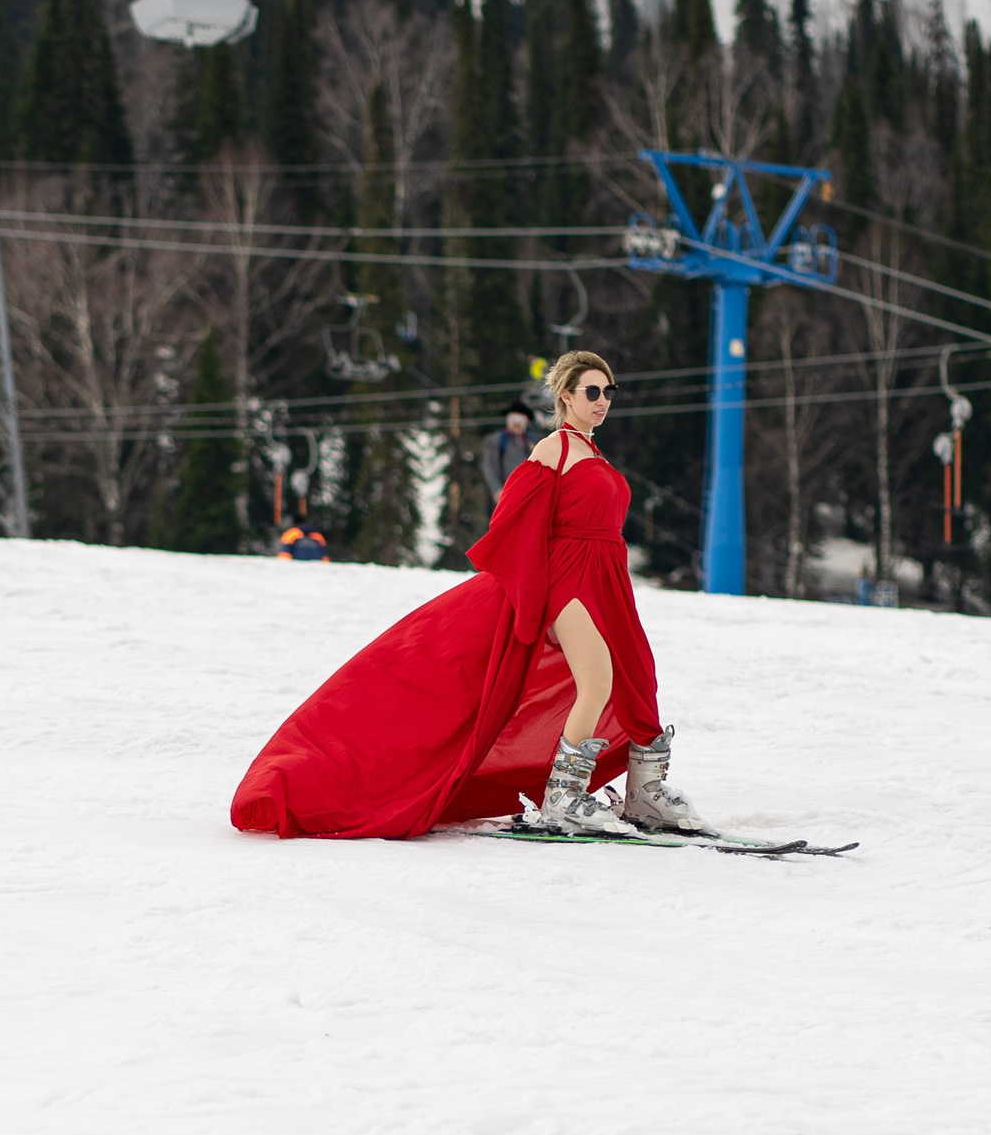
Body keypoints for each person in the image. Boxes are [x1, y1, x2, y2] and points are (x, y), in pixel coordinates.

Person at [230, 351, 707, 841]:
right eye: (592, 391)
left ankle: (645, 792)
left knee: (638, 674)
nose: (602, 400)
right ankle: (563, 795)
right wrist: (531, 580)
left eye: (609, 392)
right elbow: (511, 519)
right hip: (568, 581)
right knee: (598, 679)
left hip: (606, 579)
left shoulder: (594, 454)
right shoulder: (554, 449)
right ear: (566, 395)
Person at [477, 406, 539, 503]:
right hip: (506, 493)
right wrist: (497, 489)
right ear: (508, 420)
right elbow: (488, 465)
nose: (517, 423)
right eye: (513, 419)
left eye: (520, 419)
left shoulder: (533, 441)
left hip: (530, 494)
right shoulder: (496, 440)